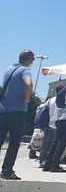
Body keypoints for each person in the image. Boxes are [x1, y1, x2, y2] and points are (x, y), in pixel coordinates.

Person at [0, 50, 35, 180]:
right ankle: (7, 170)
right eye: (32, 60)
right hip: (18, 112)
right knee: (14, 142)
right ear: (27, 59)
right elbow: (29, 83)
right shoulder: (25, 70)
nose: (32, 62)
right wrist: (26, 98)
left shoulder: (9, 69)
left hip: (3, 110)